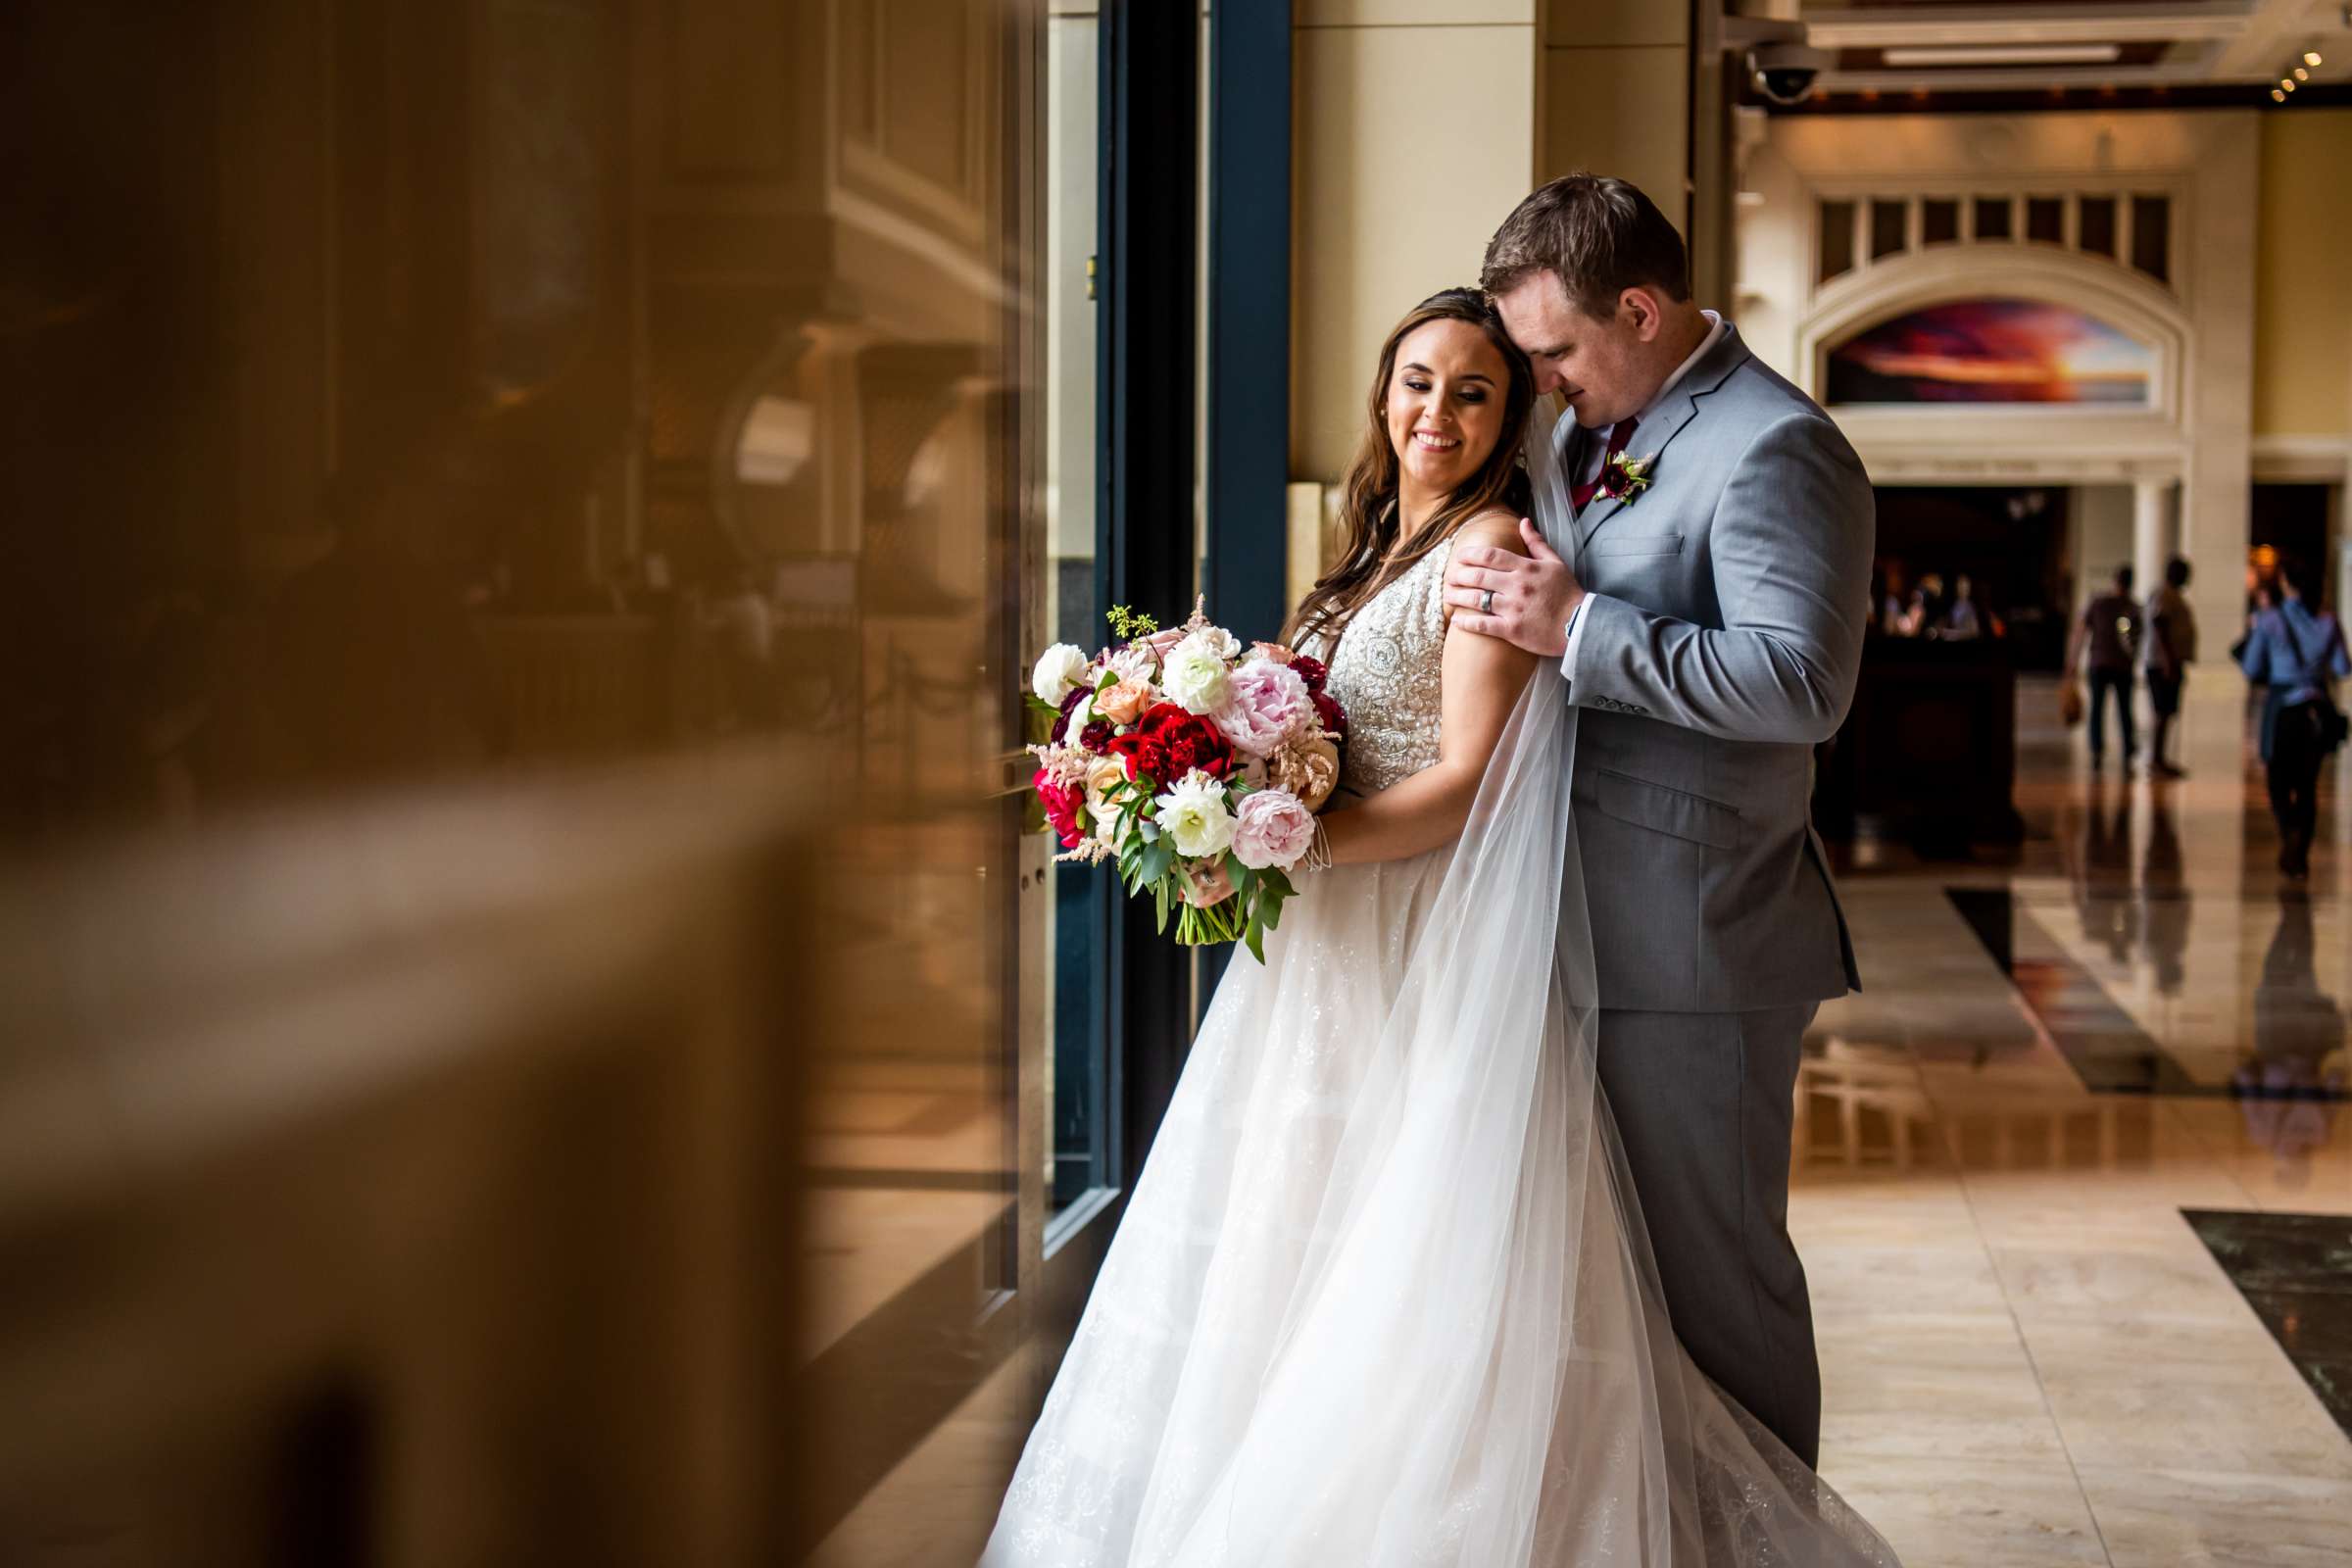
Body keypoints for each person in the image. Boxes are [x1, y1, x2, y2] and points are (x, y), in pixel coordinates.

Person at [980, 278, 1896, 1564]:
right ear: (1382, 393)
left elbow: (1468, 786)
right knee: (1293, 1250)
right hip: (1323, 959)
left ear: (1512, 413)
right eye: (1419, 382)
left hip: (1412, 943)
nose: (1439, 411)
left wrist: (1285, 851)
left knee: (1407, 1271)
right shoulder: (1370, 557)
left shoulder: (1487, 551)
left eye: (1475, 390)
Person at [1446, 170, 1872, 1473]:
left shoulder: (1774, 445)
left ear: (1638, 310)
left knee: (1716, 1299)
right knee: (1602, 1302)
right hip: (1564, 919)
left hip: (1694, 945)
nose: (1541, 381)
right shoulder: (1581, 425)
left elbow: (1802, 684)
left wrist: (1579, 629)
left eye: (1555, 350)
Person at [2238, 554, 2347, 879]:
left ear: (2287, 583)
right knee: (2307, 785)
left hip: (2283, 707)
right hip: (2316, 709)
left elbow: (2251, 667)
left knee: (2276, 781)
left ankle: (2290, 833)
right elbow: (2343, 667)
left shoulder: (2270, 620)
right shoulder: (2329, 621)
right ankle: (2300, 855)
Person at [2065, 564, 2140, 770]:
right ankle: (2127, 749)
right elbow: (2134, 640)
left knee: (2097, 709)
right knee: (2124, 709)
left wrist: (2072, 661)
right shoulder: (2132, 607)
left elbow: (2080, 633)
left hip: (2098, 663)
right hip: (2121, 666)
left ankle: (2097, 750)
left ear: (2114, 581)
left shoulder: (2098, 603)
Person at [2143, 556, 2196, 778]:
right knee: (2162, 711)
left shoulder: (2172, 595)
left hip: (2168, 662)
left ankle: (2160, 757)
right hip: (2162, 664)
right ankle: (2156, 759)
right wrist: (2168, 660)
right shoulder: (2165, 595)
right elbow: (2160, 624)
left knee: (2166, 712)